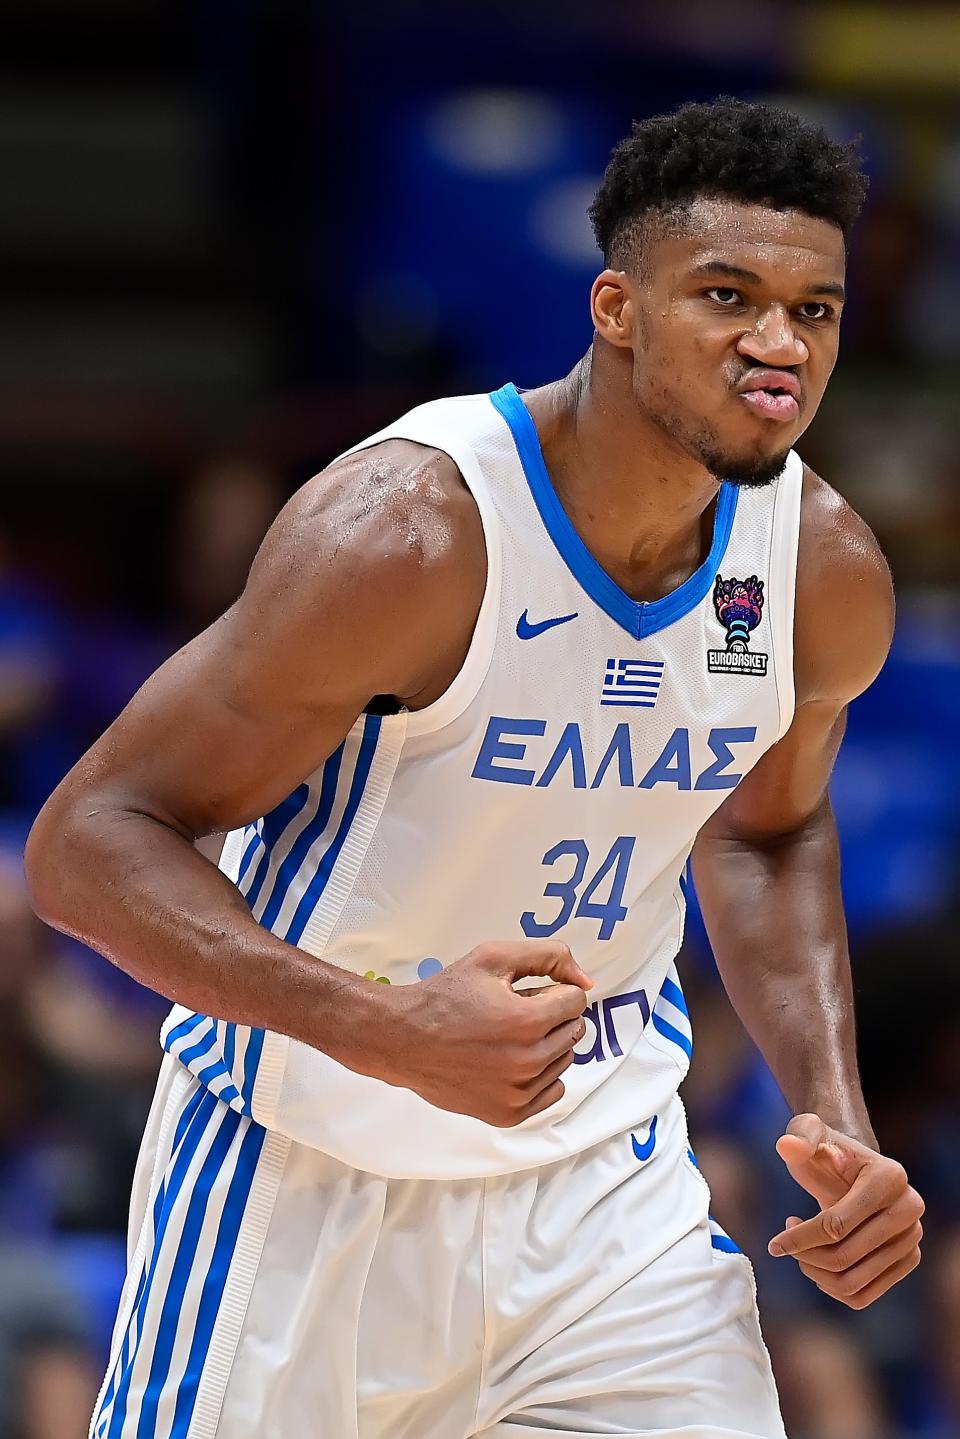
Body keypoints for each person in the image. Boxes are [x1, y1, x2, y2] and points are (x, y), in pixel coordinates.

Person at [26, 97, 925, 1439]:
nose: (778, 345)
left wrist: (833, 1112)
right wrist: (386, 1031)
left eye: (817, 310)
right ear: (615, 307)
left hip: (609, 1199)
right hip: (313, 1177)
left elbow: (768, 833)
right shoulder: (409, 535)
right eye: (726, 297)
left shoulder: (821, 571)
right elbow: (87, 842)